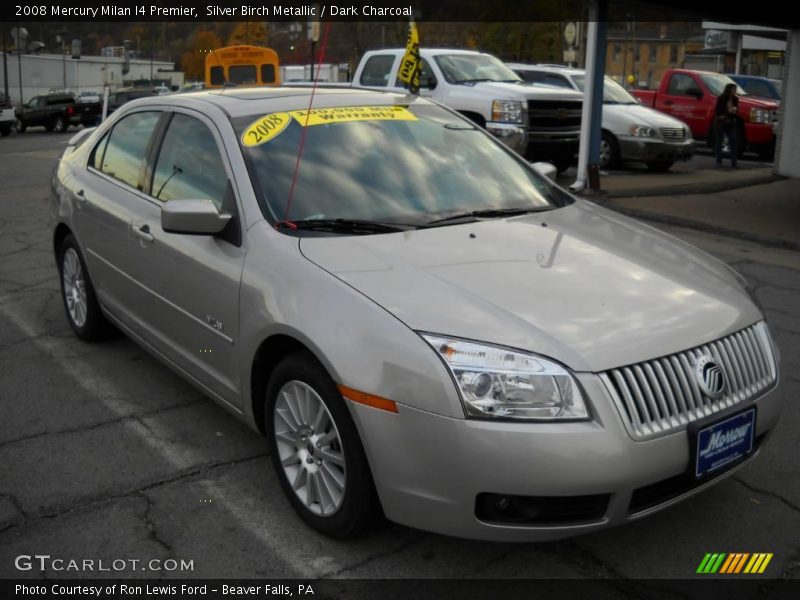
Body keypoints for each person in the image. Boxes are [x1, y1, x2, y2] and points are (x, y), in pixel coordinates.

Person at [714, 83, 740, 168]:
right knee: (719, 141)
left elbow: (736, 110)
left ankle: (734, 163)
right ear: (729, 90)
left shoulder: (735, 99)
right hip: (721, 122)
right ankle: (718, 161)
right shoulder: (722, 98)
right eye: (733, 89)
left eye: (735, 89)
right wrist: (726, 115)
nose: (735, 91)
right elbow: (718, 110)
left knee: (733, 141)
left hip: (731, 122)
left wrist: (732, 115)